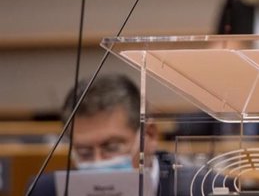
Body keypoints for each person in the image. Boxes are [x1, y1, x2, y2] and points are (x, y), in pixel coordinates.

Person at [28, 73, 214, 196]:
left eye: (111, 147)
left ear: (149, 136)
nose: (98, 161)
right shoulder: (48, 191)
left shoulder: (203, 189)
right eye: (84, 152)